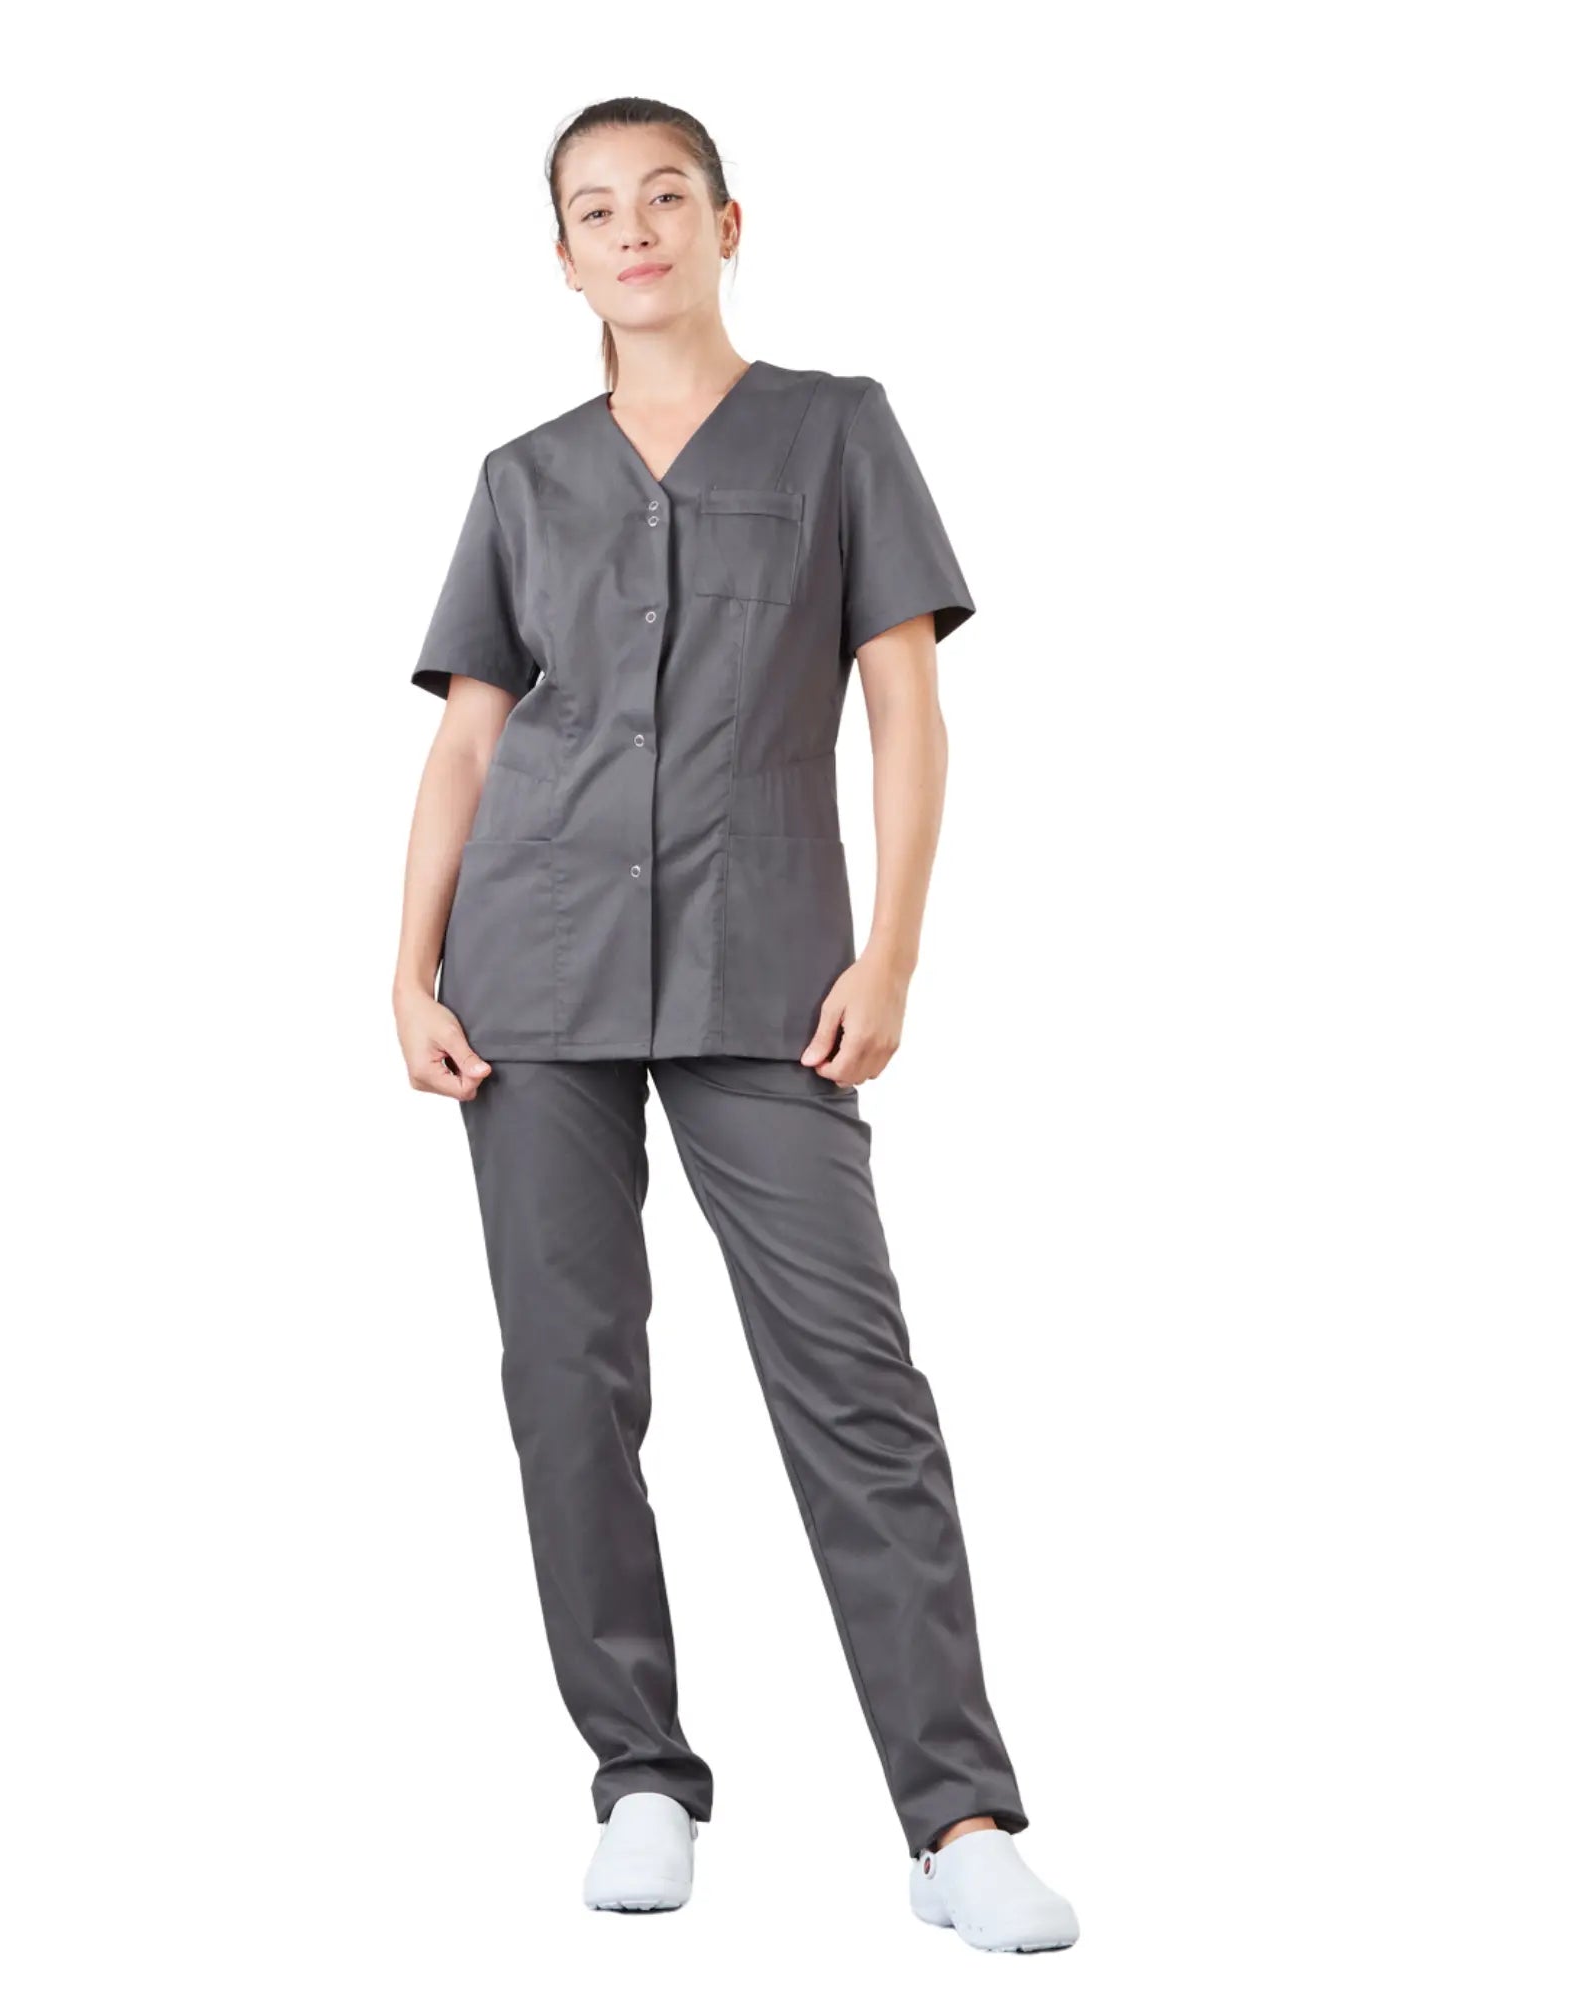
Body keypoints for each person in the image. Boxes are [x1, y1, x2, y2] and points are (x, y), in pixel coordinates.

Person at [393, 96, 1079, 1956]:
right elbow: (469, 736)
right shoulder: (523, 475)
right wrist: (408, 966)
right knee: (568, 1380)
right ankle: (638, 1776)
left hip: (768, 963)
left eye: (665, 197)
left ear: (726, 222)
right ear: (561, 259)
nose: (634, 230)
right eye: (594, 211)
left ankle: (956, 1816)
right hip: (531, 967)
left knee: (855, 1386)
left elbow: (905, 706)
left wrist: (896, 953)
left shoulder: (838, 430)